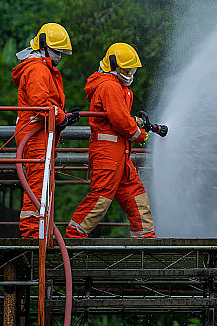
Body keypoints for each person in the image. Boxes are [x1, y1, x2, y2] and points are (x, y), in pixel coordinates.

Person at [66, 42, 156, 238]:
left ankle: (147, 245)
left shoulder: (115, 86)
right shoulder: (109, 86)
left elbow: (117, 118)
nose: (130, 72)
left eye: (132, 68)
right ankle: (73, 239)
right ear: (114, 65)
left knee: (137, 198)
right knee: (100, 199)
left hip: (120, 155)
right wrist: (141, 135)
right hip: (108, 155)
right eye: (127, 68)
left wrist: (133, 125)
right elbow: (120, 120)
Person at [12, 23, 80, 238]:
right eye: (56, 51)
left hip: (39, 132)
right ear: (43, 46)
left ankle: (40, 231)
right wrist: (60, 117)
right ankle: (33, 234)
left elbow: (47, 103)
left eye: (61, 52)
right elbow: (41, 103)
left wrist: (64, 116)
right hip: (35, 134)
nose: (59, 56)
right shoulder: (37, 68)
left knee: (42, 182)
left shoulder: (41, 67)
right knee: (37, 183)